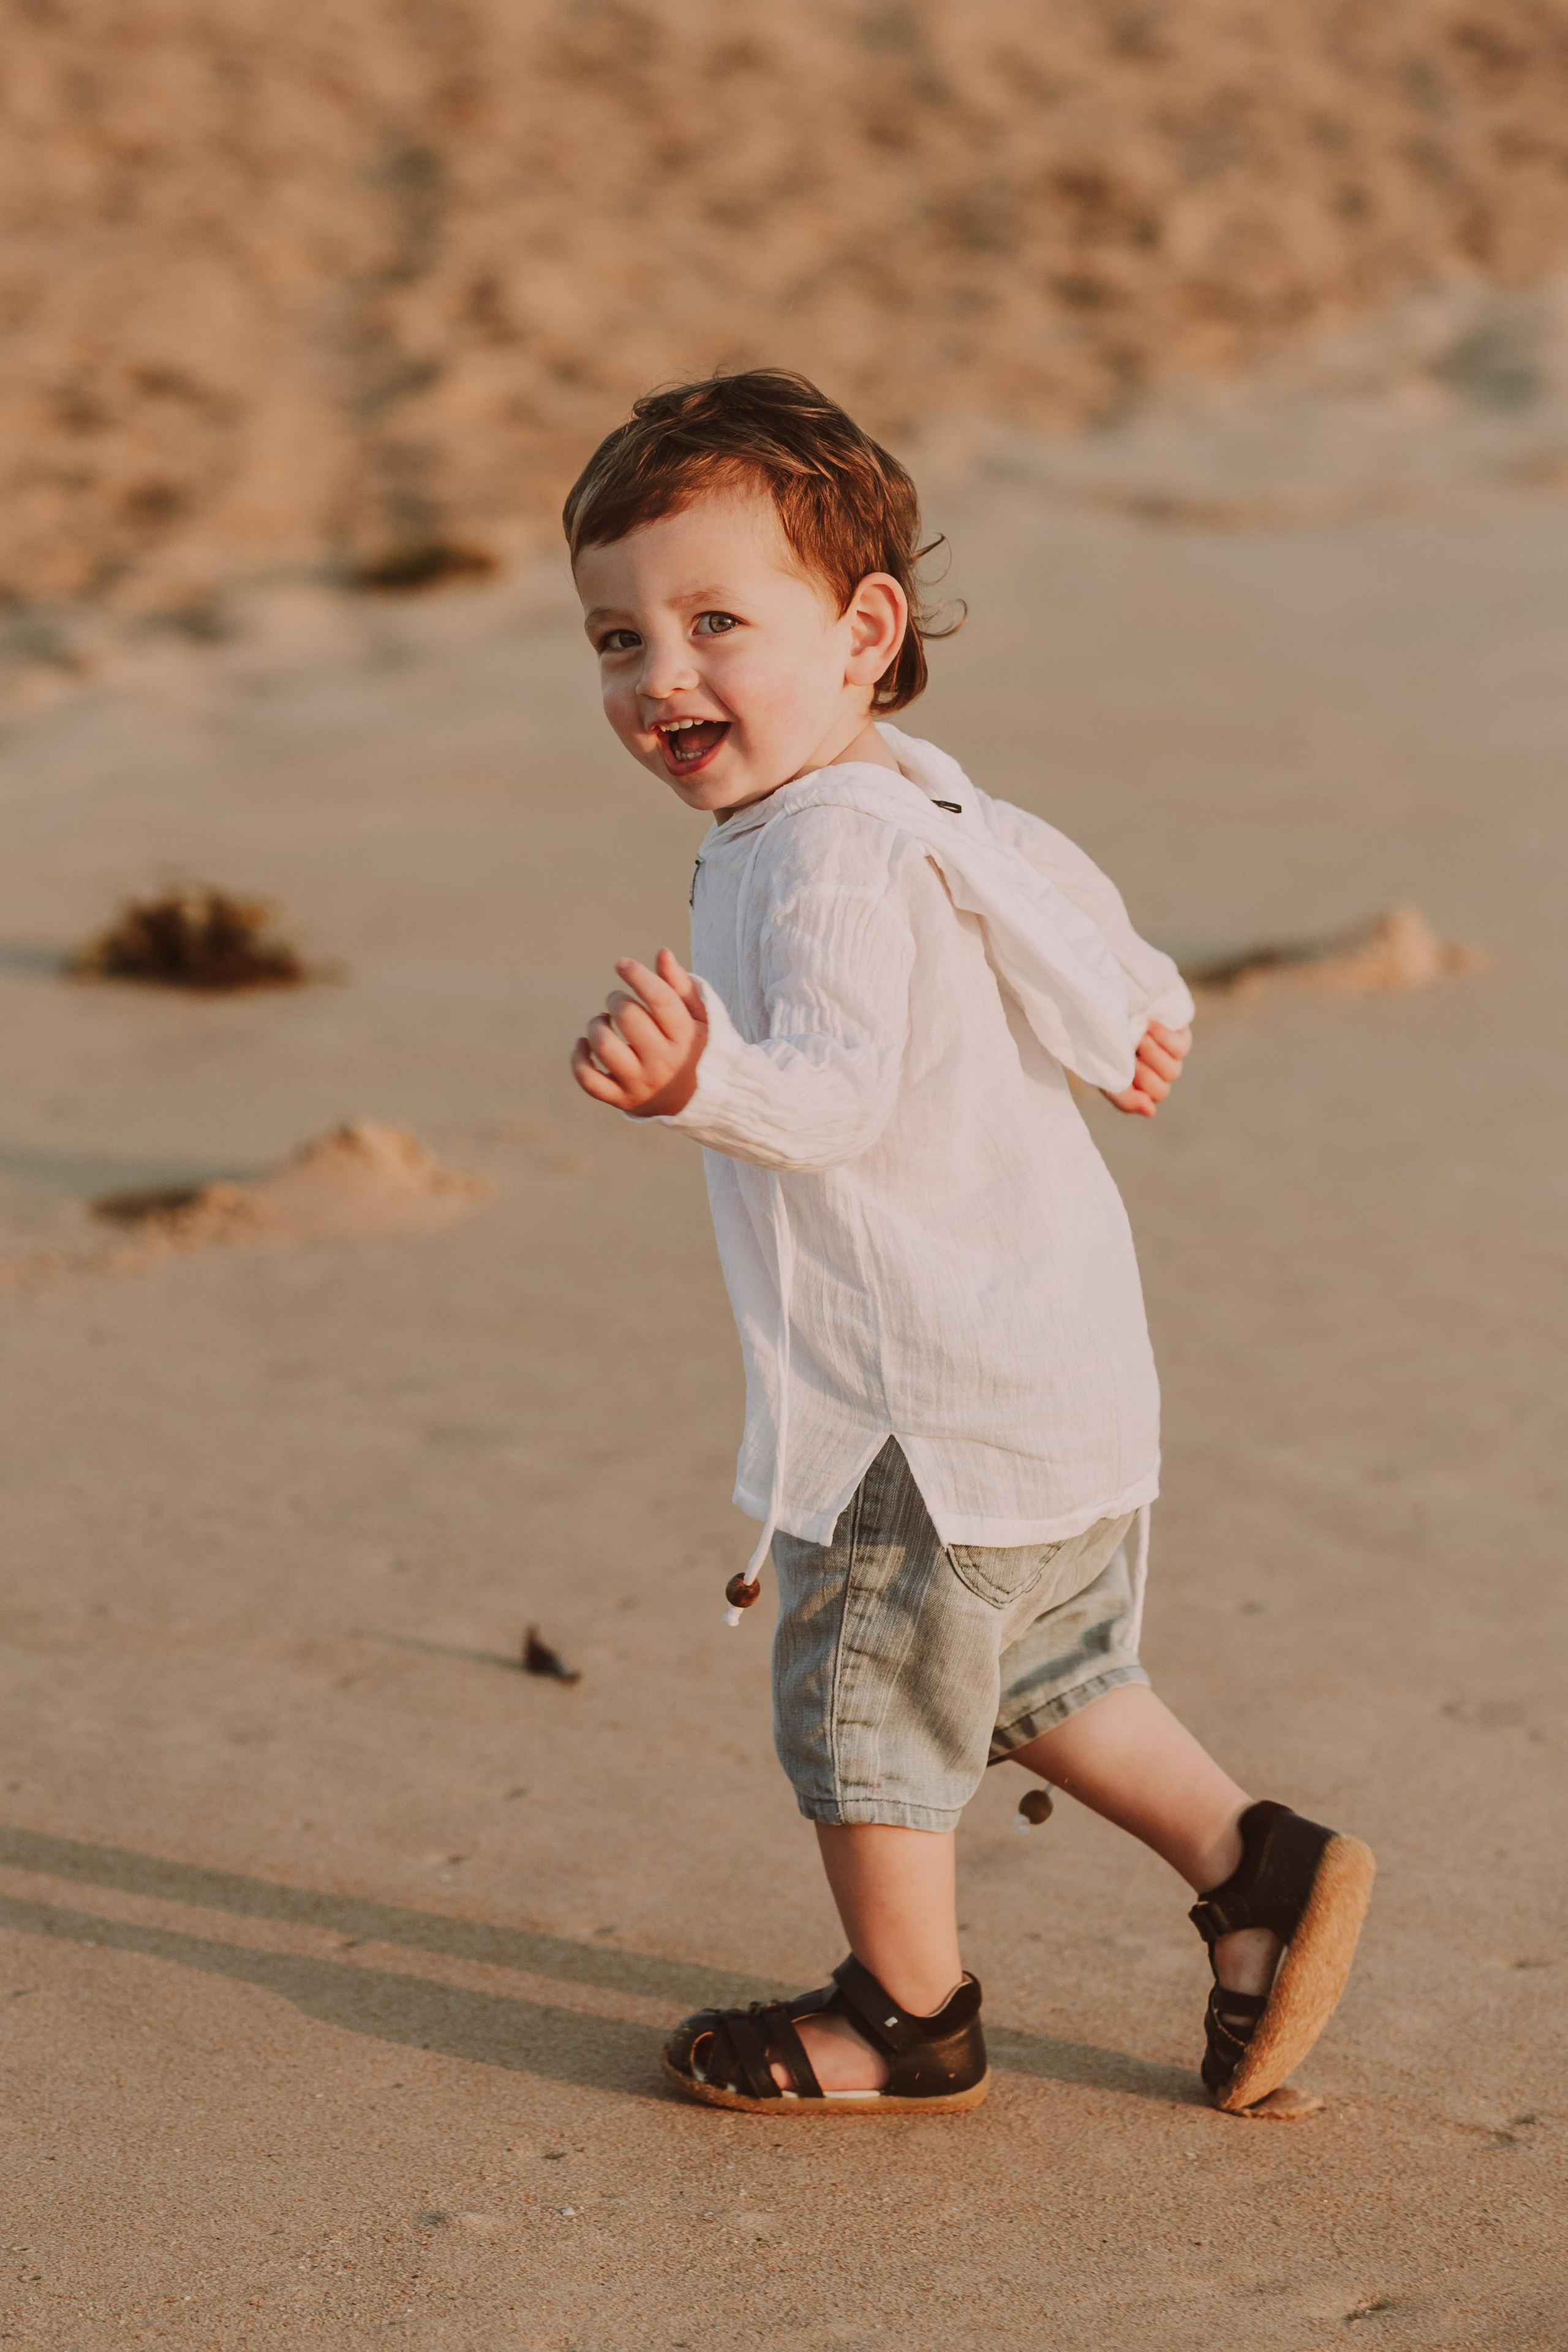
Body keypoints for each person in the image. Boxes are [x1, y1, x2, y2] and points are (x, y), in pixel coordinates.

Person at [565, 369, 1374, 2119]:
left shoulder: (816, 861)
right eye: (617, 641)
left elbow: (839, 1100)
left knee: (866, 1696)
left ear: (863, 627)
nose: (663, 678)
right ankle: (1257, 1872)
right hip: (1054, 1376)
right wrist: (1134, 1013)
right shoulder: (914, 789)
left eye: (716, 621)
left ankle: (907, 2018)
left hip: (915, 1405)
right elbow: (1067, 897)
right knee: (1039, 1666)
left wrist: (709, 1077)